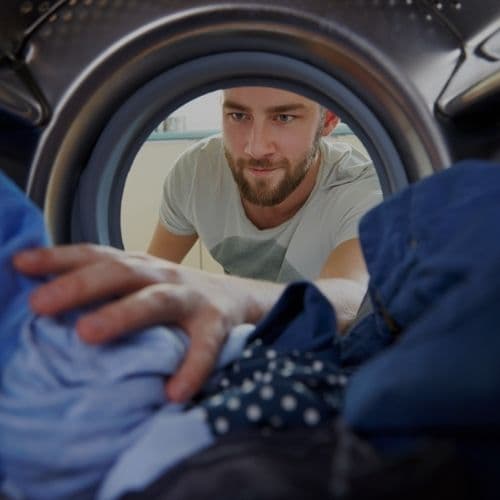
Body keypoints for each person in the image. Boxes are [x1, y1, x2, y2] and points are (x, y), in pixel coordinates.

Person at [148, 86, 381, 282]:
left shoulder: (362, 192)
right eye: (239, 116)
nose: (256, 148)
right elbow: (149, 279)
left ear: (328, 119)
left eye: (284, 118)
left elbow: (347, 301)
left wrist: (216, 293)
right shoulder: (197, 170)